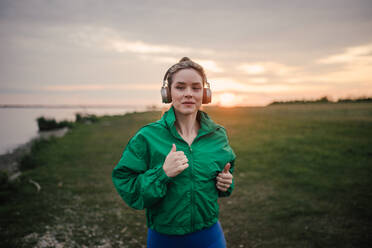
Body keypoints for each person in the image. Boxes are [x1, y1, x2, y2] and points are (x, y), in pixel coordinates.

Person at [112, 57, 236, 248]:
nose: (188, 93)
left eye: (195, 87)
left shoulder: (218, 135)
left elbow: (225, 175)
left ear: (205, 93)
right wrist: (162, 174)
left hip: (210, 235)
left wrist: (225, 182)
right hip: (165, 239)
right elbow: (126, 183)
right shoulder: (147, 137)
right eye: (180, 87)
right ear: (167, 93)